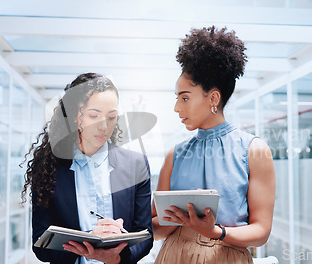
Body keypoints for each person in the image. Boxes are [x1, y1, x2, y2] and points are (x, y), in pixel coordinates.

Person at [152, 26, 276, 264]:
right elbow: (156, 228)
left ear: (213, 99)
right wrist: (174, 221)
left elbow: (261, 232)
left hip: (225, 256)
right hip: (173, 255)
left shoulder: (254, 150)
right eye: (177, 99)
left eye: (185, 98)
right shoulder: (174, 155)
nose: (177, 108)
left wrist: (214, 231)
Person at [22, 73, 153, 264]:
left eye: (111, 117)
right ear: (76, 116)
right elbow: (41, 246)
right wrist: (87, 240)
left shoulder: (136, 165)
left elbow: (145, 236)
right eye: (94, 115)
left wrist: (115, 256)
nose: (104, 126)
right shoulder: (48, 168)